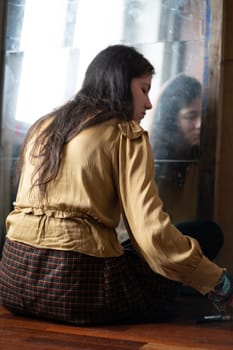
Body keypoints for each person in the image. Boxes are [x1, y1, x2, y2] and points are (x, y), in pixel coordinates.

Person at [0, 45, 232, 326]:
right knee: (203, 234)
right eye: (144, 90)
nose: (148, 104)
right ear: (122, 85)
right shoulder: (126, 134)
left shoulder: (44, 126)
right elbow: (152, 235)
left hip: (13, 280)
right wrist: (218, 282)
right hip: (78, 289)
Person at [150, 74, 223, 261]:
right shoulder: (154, 160)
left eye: (202, 115)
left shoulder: (199, 159)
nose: (200, 125)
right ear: (172, 120)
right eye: (191, 116)